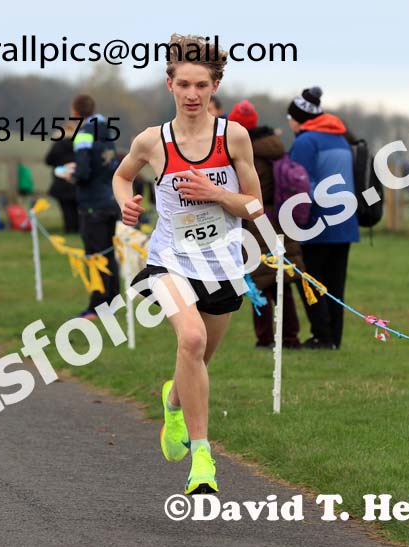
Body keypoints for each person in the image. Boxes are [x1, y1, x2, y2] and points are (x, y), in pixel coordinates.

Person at [113, 33, 263, 495]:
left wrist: (218, 194)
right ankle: (203, 462)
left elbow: (256, 206)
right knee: (191, 338)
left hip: (221, 265)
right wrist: (127, 204)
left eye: (202, 85)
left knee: (197, 357)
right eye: (184, 85)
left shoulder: (233, 137)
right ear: (169, 85)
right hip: (169, 260)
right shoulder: (151, 141)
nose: (193, 95)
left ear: (215, 85)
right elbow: (121, 177)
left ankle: (174, 401)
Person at [229, 100, 306, 349]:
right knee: (281, 281)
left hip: (258, 221)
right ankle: (290, 336)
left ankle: (264, 337)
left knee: (259, 281)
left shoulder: (246, 153)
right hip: (281, 220)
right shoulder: (275, 148)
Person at [287, 86, 359, 350]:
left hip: (317, 225)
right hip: (346, 223)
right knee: (335, 286)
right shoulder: (340, 138)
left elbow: (299, 185)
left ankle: (321, 336)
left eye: (290, 118)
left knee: (311, 282)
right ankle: (333, 339)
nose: (290, 124)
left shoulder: (306, 142)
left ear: (299, 118)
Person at [65, 94, 121, 319]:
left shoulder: (83, 134)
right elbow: (109, 164)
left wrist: (72, 174)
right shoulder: (106, 130)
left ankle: (97, 308)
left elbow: (84, 172)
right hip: (110, 199)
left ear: (76, 112)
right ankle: (113, 303)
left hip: (92, 205)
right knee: (109, 255)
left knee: (95, 257)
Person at [44, 122, 79, 234]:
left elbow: (48, 160)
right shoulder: (79, 144)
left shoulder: (58, 144)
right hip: (76, 180)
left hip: (61, 181)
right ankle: (77, 229)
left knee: (66, 208)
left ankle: (68, 229)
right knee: (76, 207)